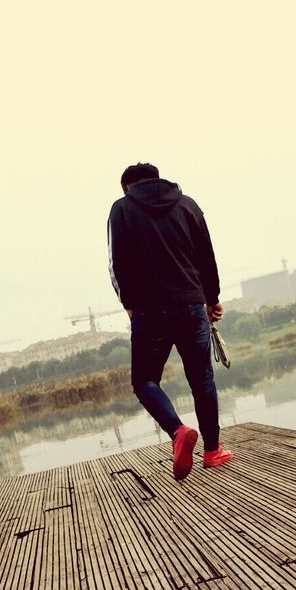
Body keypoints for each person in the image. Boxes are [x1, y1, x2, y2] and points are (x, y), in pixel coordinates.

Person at [108, 163, 233, 481]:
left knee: (144, 382)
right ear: (158, 178)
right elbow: (207, 255)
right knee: (202, 380)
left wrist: (129, 306)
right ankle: (212, 451)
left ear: (127, 187)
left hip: (149, 311)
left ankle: (177, 431)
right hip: (191, 304)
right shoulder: (188, 204)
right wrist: (211, 298)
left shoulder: (122, 210)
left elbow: (117, 263)